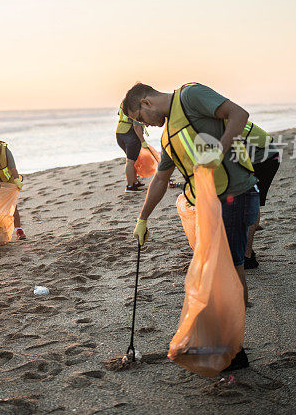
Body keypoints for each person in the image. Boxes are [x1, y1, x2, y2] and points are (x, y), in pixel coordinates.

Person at [122, 82, 260, 371]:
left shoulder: (191, 96)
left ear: (146, 103)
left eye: (140, 119)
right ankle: (228, 342)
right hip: (210, 204)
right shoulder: (169, 135)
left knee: (230, 269)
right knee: (217, 270)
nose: (145, 125)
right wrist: (142, 219)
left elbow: (240, 114)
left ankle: (235, 350)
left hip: (235, 194)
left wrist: (218, 153)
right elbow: (160, 180)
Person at [241, 122, 280, 269]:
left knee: (249, 203)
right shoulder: (219, 117)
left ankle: (247, 256)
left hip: (263, 159)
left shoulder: (219, 124)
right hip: (263, 155)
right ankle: (246, 251)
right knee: (249, 202)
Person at [116, 102, 149, 193]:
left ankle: (135, 182)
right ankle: (130, 186)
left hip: (120, 134)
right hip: (130, 135)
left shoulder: (123, 102)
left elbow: (120, 114)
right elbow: (136, 125)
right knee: (130, 161)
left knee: (132, 159)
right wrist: (142, 141)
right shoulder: (134, 105)